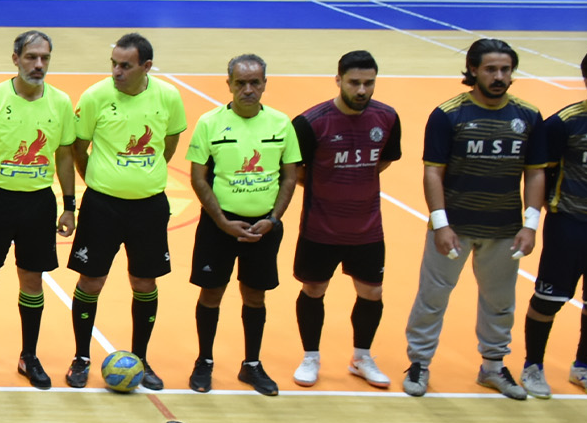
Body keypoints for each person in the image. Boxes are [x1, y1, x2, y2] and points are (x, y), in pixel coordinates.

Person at [402, 39, 546, 399]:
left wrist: (530, 225)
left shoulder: (529, 116)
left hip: (504, 228)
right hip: (454, 228)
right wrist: (440, 224)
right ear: (472, 71)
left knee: (500, 301)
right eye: (490, 69)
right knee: (432, 297)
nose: (499, 76)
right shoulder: (448, 115)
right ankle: (419, 363)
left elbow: (535, 173)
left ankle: (493, 367)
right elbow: (433, 172)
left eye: (505, 69)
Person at [65, 33, 188, 389]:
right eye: (114, 64)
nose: (117, 72)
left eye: (125, 66)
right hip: (102, 206)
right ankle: (81, 357)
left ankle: (142, 358)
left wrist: (141, 176)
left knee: (144, 282)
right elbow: (79, 148)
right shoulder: (95, 96)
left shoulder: (168, 97)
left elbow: (169, 144)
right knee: (91, 281)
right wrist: (101, 180)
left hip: (149, 207)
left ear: (146, 66)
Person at [0, 31, 77, 389]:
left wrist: (69, 205)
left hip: (38, 203)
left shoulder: (61, 102)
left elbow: (65, 156)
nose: (38, 65)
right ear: (16, 59)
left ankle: (29, 356)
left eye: (44, 58)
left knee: (32, 280)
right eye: (31, 57)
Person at [184, 54, 302, 396]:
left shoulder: (281, 124)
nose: (248, 89)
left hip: (263, 228)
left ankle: (251, 364)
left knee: (255, 294)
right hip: (218, 226)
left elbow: (290, 176)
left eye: (254, 82)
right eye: (241, 83)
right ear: (229, 84)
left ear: (264, 84)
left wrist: (273, 219)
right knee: (212, 292)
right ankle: (204, 361)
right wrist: (222, 221)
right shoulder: (209, 123)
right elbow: (198, 177)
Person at [287, 51, 402, 388]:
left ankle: (361, 358)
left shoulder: (387, 118)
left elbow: (384, 160)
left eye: (369, 83)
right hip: (320, 227)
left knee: (372, 291)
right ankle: (311, 357)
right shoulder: (311, 122)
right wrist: (329, 180)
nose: (362, 90)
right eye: (354, 82)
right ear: (338, 80)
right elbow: (294, 170)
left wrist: (353, 177)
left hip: (367, 228)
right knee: (313, 288)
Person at [521, 47, 587, 399]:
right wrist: (538, 217)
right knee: (548, 299)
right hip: (569, 226)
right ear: (586, 81)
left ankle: (583, 366)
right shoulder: (563, 124)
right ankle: (533, 366)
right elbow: (540, 173)